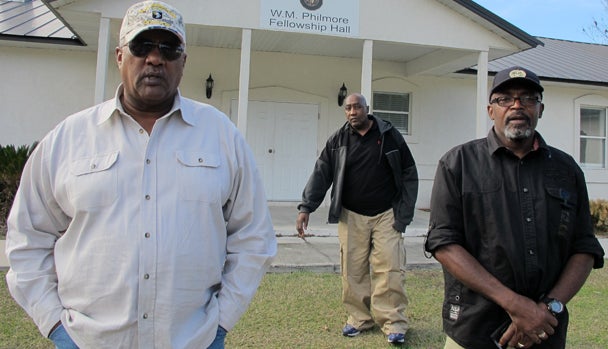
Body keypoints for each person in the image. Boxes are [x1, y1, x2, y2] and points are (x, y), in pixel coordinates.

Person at [5, 2, 277, 348]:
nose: (154, 58)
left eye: (169, 48)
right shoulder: (69, 139)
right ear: (120, 56)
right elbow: (27, 239)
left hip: (193, 340)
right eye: (141, 46)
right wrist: (56, 326)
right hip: (88, 340)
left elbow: (254, 236)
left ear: (183, 61)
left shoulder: (221, 135)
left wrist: (220, 324)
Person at [424, 66, 605, 349]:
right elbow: (444, 244)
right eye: (505, 98)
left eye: (528, 98)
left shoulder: (566, 170)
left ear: (540, 109)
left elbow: (584, 247)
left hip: (545, 331)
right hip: (474, 328)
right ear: (490, 110)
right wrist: (517, 306)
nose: (517, 105)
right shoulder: (458, 164)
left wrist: (547, 308)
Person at [296, 93, 419, 344]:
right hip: (351, 214)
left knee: (390, 268)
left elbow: (409, 173)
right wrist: (306, 207)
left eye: (357, 107)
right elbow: (321, 173)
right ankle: (359, 319)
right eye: (348, 108)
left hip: (386, 214)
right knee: (352, 270)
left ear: (367, 109)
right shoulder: (338, 140)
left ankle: (393, 322)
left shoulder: (389, 135)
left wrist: (403, 213)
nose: (353, 112)